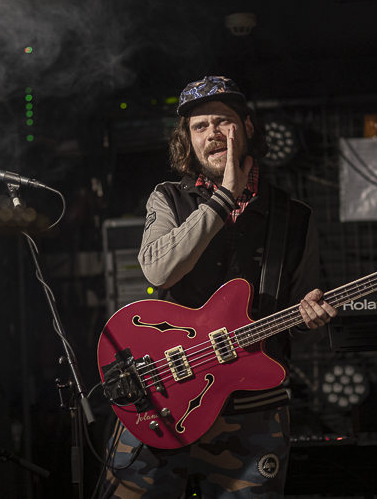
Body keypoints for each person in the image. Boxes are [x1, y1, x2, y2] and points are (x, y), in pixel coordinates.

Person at [101, 76, 337, 498]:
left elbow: (304, 318)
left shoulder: (294, 215)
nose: (211, 133)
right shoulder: (168, 198)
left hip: (253, 411)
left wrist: (310, 319)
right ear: (188, 140)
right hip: (165, 396)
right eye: (199, 126)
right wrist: (224, 196)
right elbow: (158, 272)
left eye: (222, 121)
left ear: (247, 127)